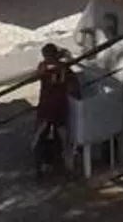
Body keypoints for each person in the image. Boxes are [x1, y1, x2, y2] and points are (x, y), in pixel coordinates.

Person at [33, 46, 75, 178]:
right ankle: (68, 165)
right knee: (62, 135)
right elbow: (69, 81)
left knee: (41, 135)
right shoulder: (63, 68)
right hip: (58, 106)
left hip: (47, 106)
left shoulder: (43, 67)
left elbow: (42, 76)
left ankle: (41, 164)